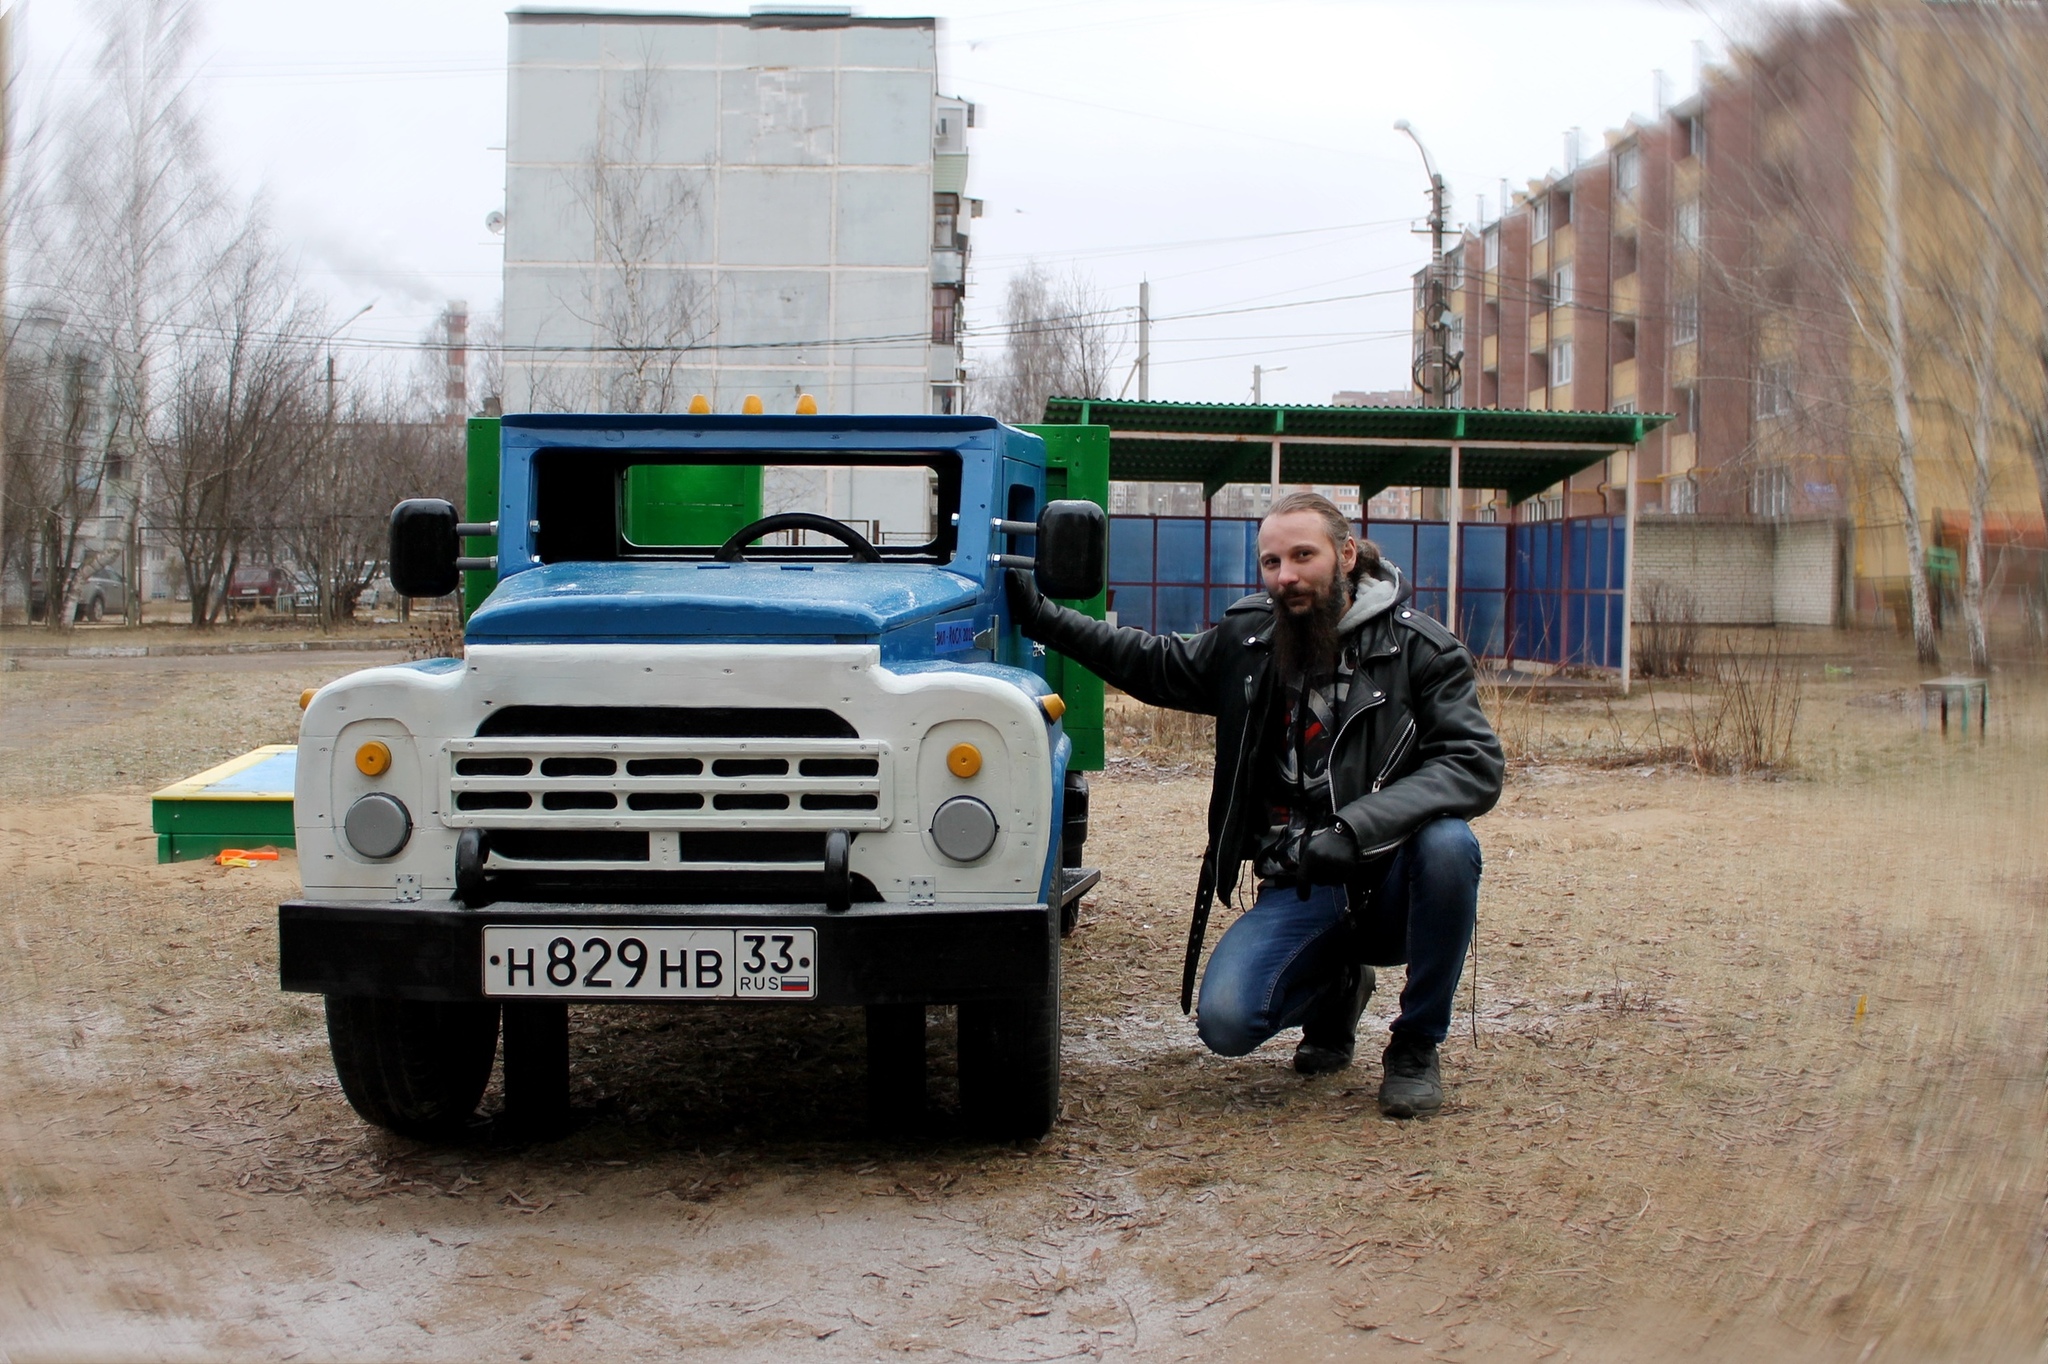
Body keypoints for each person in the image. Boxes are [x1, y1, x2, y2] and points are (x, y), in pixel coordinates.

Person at [1008, 492, 1504, 1118]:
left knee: (1450, 846)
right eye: (1271, 562)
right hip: (1300, 884)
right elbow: (1152, 662)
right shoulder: (1249, 639)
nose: (1286, 577)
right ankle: (1339, 987)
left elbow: (1473, 764)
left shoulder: (1422, 652)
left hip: (1390, 877)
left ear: (1346, 554)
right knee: (1227, 1021)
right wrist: (1043, 617)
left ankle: (1414, 1046)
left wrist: (1355, 829)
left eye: (1303, 556)